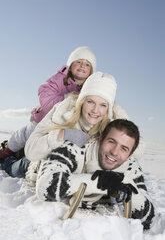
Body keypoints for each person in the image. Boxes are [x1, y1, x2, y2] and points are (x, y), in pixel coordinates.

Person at [1, 71, 131, 178]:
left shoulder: (113, 123)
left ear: (109, 108)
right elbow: (32, 150)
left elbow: (136, 147)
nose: (95, 110)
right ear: (81, 101)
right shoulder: (63, 110)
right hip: (39, 162)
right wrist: (63, 134)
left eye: (103, 105)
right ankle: (7, 159)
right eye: (90, 102)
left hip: (69, 168)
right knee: (15, 167)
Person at [35, 119, 155, 230]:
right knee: (18, 166)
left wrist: (129, 187)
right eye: (111, 141)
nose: (114, 152)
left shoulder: (130, 167)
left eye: (124, 148)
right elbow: (44, 188)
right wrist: (100, 181)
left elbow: (149, 219)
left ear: (129, 155)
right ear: (101, 139)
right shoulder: (75, 147)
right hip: (34, 167)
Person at [0, 46, 96, 159]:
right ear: (70, 67)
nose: (82, 66)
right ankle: (8, 149)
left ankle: (23, 156)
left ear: (91, 71)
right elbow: (46, 97)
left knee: (44, 146)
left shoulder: (90, 89)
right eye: (79, 62)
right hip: (42, 120)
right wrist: (67, 98)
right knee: (24, 135)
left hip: (62, 127)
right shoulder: (60, 79)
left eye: (87, 64)